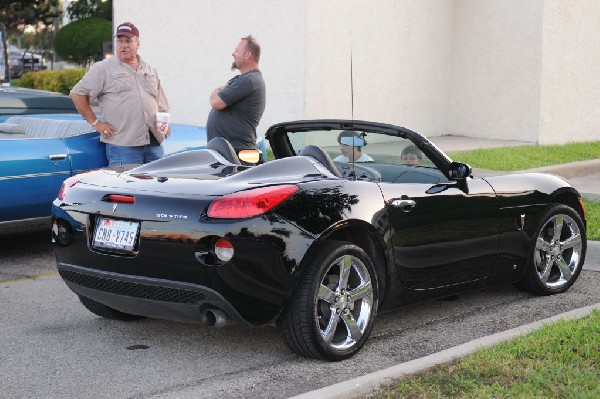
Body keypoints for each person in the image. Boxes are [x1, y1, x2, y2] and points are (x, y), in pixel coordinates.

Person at [70, 22, 171, 166]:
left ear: (137, 43)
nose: (123, 45)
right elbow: (77, 93)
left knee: (156, 187)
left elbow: (161, 102)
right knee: (127, 188)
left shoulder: (149, 69)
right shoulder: (103, 68)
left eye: (128, 41)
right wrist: (96, 123)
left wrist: (165, 125)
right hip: (123, 146)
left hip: (153, 143)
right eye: (120, 41)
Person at [207, 35, 266, 154]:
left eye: (237, 51)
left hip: (236, 153)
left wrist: (217, 90)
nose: (233, 54)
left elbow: (216, 102)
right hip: (230, 151)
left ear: (248, 55)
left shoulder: (249, 80)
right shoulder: (244, 79)